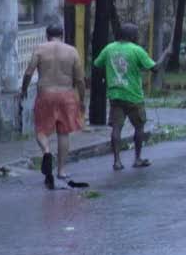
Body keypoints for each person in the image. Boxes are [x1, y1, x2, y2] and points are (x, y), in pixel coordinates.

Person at [21, 22, 90, 190]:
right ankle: (61, 171)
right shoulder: (72, 51)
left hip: (46, 93)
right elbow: (80, 80)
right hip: (66, 95)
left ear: (47, 35)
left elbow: (29, 72)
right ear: (62, 35)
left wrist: (24, 89)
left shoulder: (40, 49)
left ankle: (46, 151)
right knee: (63, 132)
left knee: (41, 130)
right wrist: (82, 99)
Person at [94, 23, 157, 171]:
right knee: (139, 126)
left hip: (115, 95)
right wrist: (166, 54)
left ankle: (117, 161)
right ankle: (137, 159)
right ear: (132, 36)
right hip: (134, 96)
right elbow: (155, 68)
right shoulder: (137, 50)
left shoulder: (109, 48)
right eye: (136, 34)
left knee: (116, 128)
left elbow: (97, 65)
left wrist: (106, 77)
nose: (138, 37)